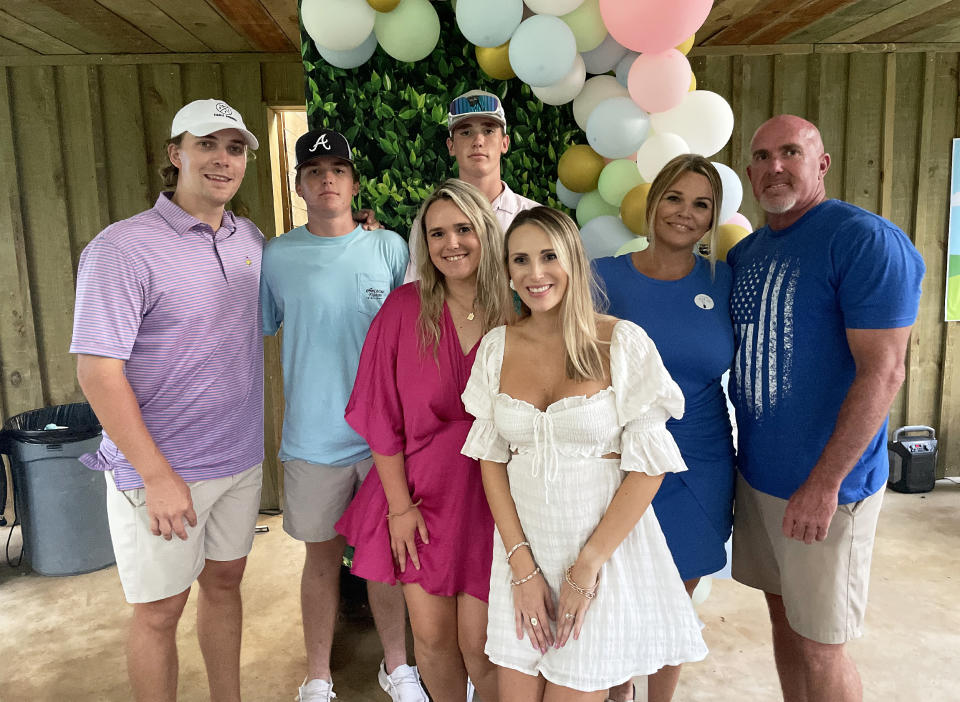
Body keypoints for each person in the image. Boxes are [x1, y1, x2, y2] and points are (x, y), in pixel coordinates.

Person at [461, 206, 708, 701]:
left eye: (549, 256)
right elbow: (492, 460)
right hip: (523, 554)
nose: (535, 273)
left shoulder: (621, 342)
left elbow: (647, 467)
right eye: (520, 260)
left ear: (574, 259)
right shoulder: (496, 347)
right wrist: (521, 567)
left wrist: (587, 566)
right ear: (506, 270)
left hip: (599, 559)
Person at [71, 99, 265, 702]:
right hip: (161, 472)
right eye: (207, 144)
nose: (222, 159)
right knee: (159, 613)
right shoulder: (122, 247)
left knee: (225, 585)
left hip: (239, 460)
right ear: (174, 155)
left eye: (235, 148)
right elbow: (98, 372)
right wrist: (156, 475)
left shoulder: (250, 239)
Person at [728, 114, 925, 702]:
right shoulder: (751, 253)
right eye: (761, 157)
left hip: (826, 487)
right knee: (786, 620)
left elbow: (885, 370)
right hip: (760, 477)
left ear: (822, 164)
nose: (774, 167)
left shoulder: (863, 240)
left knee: (822, 644)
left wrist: (826, 482)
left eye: (790, 152)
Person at [260, 128, 426, 702]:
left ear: (354, 183)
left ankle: (397, 667)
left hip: (382, 440)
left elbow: (416, 331)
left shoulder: (390, 249)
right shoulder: (276, 257)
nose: (326, 178)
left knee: (385, 563)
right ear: (300, 185)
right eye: (314, 171)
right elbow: (258, 327)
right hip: (313, 440)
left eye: (337, 169)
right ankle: (317, 675)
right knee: (321, 560)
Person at [336, 179, 507, 702]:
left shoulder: (521, 307)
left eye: (463, 229)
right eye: (437, 234)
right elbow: (379, 414)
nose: (451, 243)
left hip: (498, 499)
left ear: (487, 232)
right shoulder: (403, 308)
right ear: (423, 244)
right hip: (419, 494)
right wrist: (398, 507)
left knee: (482, 645)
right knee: (431, 639)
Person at [593, 154, 735, 702]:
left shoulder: (725, 281)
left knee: (677, 596)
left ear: (712, 218)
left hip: (700, 462)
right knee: (615, 591)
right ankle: (617, 691)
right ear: (653, 204)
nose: (685, 213)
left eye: (702, 204)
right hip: (616, 460)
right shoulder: (602, 277)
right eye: (675, 198)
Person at [403, 89, 539, 283]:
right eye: (466, 132)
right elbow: (419, 293)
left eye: (489, 130)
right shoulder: (428, 222)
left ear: (505, 143)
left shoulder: (535, 217)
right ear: (451, 146)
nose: (478, 141)